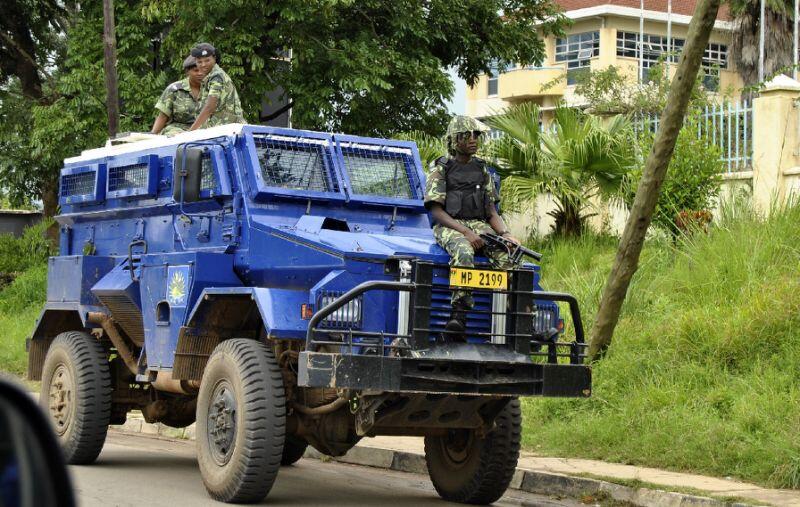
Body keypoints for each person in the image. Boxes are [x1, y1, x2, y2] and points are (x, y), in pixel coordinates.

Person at [424, 115, 521, 338]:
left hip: (478, 224)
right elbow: (436, 211)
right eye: (468, 135)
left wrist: (506, 235)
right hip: (449, 225)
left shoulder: (482, 170)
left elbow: (491, 211)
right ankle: (459, 315)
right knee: (464, 251)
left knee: (510, 254)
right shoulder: (442, 169)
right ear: (456, 140)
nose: (474, 140)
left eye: (476, 135)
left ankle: (525, 317)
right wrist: (465, 232)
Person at [189, 42, 245, 130]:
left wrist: (191, 132)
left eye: (207, 60)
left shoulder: (216, 76)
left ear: (214, 58)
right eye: (199, 62)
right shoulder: (209, 77)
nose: (203, 64)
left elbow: (209, 107)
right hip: (221, 130)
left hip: (230, 132)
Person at [151, 56, 204, 136]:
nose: (200, 73)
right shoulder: (174, 89)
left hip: (206, 130)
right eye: (196, 70)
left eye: (203, 70)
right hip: (178, 131)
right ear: (187, 72)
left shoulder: (214, 89)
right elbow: (163, 116)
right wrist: (152, 136)